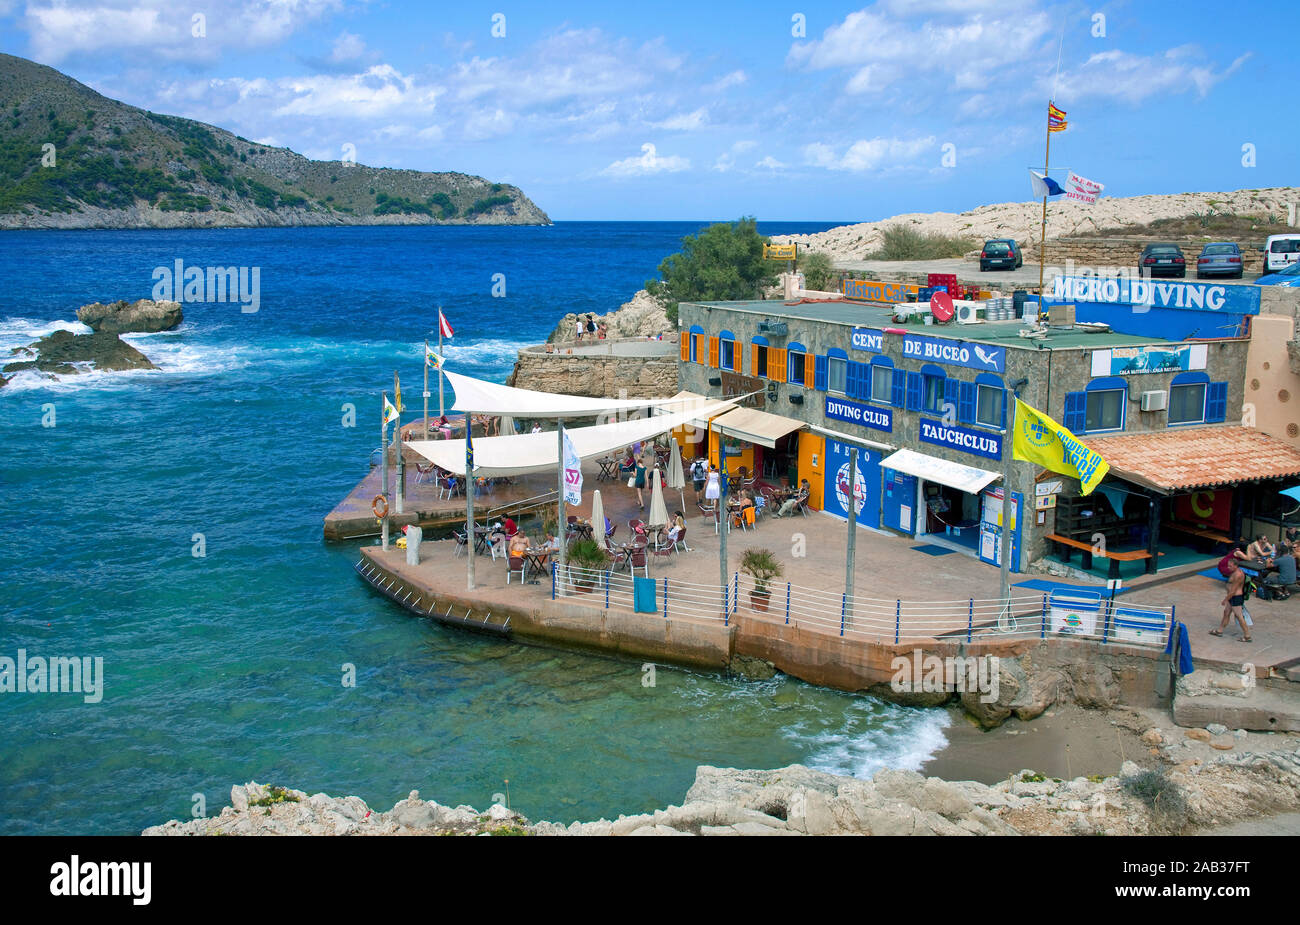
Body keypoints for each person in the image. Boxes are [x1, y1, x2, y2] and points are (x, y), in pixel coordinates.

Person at [1212, 560, 1251, 642]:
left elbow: (1233, 591)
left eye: (1230, 566)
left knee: (1239, 616)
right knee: (1226, 613)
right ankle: (1220, 630)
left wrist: (1225, 600)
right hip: (1232, 597)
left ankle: (1247, 636)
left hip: (1235, 597)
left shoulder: (1238, 575)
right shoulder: (1234, 572)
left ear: (1235, 566)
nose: (1228, 568)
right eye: (1228, 565)